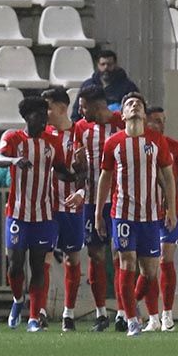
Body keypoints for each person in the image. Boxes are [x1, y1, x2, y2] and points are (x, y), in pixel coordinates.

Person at [94, 92, 177, 337]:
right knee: (127, 262)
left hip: (151, 215)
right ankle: (131, 320)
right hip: (123, 213)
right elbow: (105, 178)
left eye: (139, 104)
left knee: (149, 272)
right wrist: (99, 212)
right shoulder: (114, 143)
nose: (135, 106)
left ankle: (126, 307)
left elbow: (168, 176)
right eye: (130, 103)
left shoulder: (156, 141)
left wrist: (171, 208)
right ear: (123, 113)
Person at [0, 96, 79, 333]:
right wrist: (15, 160)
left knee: (38, 266)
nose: (43, 119)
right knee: (15, 265)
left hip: (44, 215)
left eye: (45, 114)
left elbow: (62, 171)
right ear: (26, 116)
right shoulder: (13, 138)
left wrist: (77, 173)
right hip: (18, 214)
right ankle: (17, 300)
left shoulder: (52, 142)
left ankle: (33, 317)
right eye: (38, 115)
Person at [68, 85, 125, 331]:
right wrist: (76, 165)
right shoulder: (80, 128)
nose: (80, 111)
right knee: (95, 254)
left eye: (83, 106)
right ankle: (101, 313)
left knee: (121, 255)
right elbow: (76, 168)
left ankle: (124, 312)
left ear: (97, 105)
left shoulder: (122, 122)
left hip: (122, 200)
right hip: (92, 201)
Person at [144, 105, 178, 331]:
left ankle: (167, 315)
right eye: (155, 120)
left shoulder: (175, 147)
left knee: (166, 262)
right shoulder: (138, 147)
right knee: (147, 268)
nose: (160, 124)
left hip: (169, 213)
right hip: (143, 213)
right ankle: (152, 317)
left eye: (162, 120)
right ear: (145, 122)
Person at [42, 88, 85, 332]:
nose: (44, 113)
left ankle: (68, 313)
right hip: (46, 204)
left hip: (71, 204)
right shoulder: (43, 133)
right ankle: (40, 310)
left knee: (73, 258)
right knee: (44, 255)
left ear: (60, 108)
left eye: (47, 107)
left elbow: (88, 167)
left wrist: (82, 193)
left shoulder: (80, 132)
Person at [69, 49, 141, 120]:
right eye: (103, 64)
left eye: (109, 64)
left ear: (115, 65)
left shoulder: (128, 87)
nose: (106, 67)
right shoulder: (88, 85)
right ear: (98, 65)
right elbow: (77, 111)